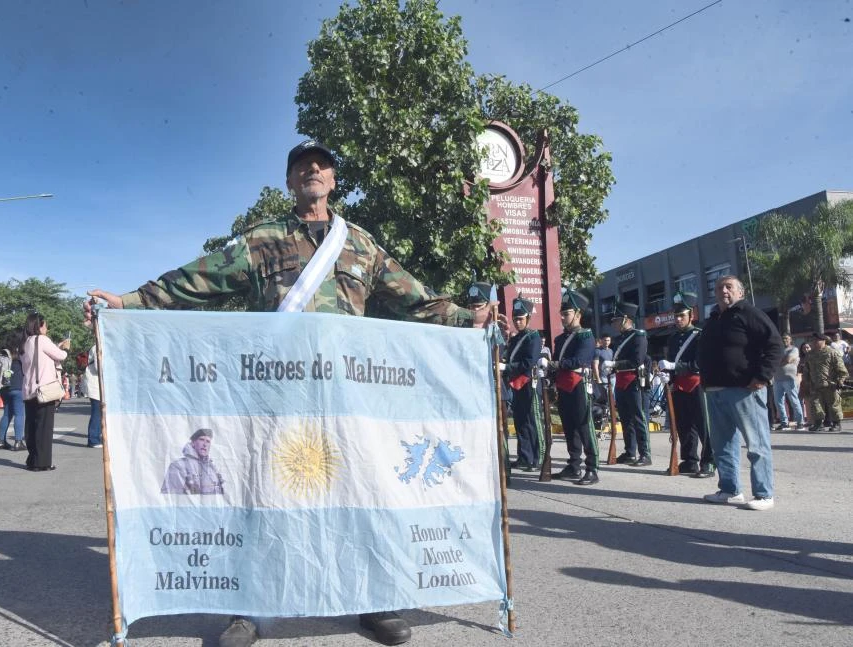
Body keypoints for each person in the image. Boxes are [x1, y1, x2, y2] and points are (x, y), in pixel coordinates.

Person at [84, 140, 505, 647]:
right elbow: (198, 280)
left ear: (332, 179)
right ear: (289, 182)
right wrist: (130, 303)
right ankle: (249, 608)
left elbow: (417, 301)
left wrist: (468, 317)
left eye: (322, 164)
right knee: (260, 499)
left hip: (347, 403)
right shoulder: (262, 240)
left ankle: (374, 601)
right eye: (301, 165)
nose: (313, 169)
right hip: (274, 398)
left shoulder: (361, 246)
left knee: (361, 498)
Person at [698, 276, 782, 511]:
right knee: (722, 446)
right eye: (718, 288)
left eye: (728, 287)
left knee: (756, 444)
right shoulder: (714, 318)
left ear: (740, 292)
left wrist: (762, 376)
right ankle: (730, 490)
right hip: (715, 390)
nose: (723, 291)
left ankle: (764, 494)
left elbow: (774, 344)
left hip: (743, 390)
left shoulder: (749, 313)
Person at [546, 289, 599, 485]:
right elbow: (556, 361)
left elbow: (581, 360)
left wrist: (556, 365)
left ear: (578, 314)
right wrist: (549, 372)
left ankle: (592, 468)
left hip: (578, 385)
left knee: (584, 427)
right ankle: (574, 465)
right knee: (569, 427)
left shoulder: (585, 336)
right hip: (563, 385)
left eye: (566, 313)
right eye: (562, 313)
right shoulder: (560, 339)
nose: (562, 317)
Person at [658, 292, 713, 477]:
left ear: (692, 315)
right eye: (676, 316)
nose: (678, 319)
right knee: (684, 425)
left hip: (697, 384)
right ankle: (690, 461)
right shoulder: (673, 338)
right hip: (679, 386)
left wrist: (675, 366)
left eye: (682, 315)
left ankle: (709, 462)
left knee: (703, 425)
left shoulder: (699, 335)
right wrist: (669, 377)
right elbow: (671, 362)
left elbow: (699, 364)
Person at [20, 312, 71, 471]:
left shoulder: (25, 342)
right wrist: (65, 348)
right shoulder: (42, 340)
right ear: (39, 326)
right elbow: (61, 356)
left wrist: (56, 346)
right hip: (44, 390)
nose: (47, 328)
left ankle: (32, 459)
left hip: (29, 389)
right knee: (44, 427)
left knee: (31, 426)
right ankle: (42, 462)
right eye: (45, 325)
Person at [604, 301, 652, 466]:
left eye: (617, 320)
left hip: (634, 381)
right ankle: (630, 452)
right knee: (625, 419)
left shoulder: (639, 336)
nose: (614, 324)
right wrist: (611, 369)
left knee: (639, 417)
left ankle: (645, 453)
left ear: (626, 319)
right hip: (621, 382)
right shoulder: (619, 339)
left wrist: (615, 365)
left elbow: (636, 361)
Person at [502, 295, 543, 471]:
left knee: (531, 421)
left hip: (529, 383)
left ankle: (537, 458)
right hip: (516, 384)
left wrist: (507, 366)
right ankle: (524, 456)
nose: (517, 322)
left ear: (527, 318)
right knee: (520, 422)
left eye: (520, 318)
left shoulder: (533, 337)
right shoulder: (516, 338)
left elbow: (529, 362)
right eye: (515, 319)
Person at [804, 332, 848, 432]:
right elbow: (806, 369)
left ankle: (836, 424)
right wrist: (806, 381)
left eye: (816, 340)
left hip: (830, 384)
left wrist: (840, 380)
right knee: (816, 405)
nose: (814, 342)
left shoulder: (831, 352)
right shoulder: (810, 354)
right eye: (813, 340)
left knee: (833, 404)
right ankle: (819, 424)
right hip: (815, 385)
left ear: (823, 341)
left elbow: (842, 369)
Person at [0, 329, 26, 451]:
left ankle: (1, 441)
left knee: (7, 413)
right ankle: (18, 441)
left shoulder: (4, 353)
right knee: (19, 414)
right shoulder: (22, 354)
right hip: (18, 386)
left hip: (4, 387)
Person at [161, 429, 225, 494]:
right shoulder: (178, 466)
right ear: (193, 443)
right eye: (201, 439)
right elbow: (170, 497)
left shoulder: (213, 469)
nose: (205, 444)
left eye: (208, 441)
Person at [772, 334, 805, 431]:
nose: (784, 340)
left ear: (790, 340)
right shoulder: (778, 350)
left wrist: (777, 362)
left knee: (794, 401)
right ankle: (784, 423)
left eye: (786, 338)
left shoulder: (794, 349)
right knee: (778, 402)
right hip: (777, 379)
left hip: (789, 379)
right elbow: (773, 360)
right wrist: (780, 361)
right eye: (783, 338)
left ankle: (800, 422)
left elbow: (788, 360)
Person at [83, 336, 103, 448]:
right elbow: (98, 366)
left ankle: (97, 436)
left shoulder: (99, 346)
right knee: (97, 412)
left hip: (97, 383)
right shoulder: (97, 347)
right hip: (95, 383)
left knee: (100, 412)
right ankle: (93, 439)